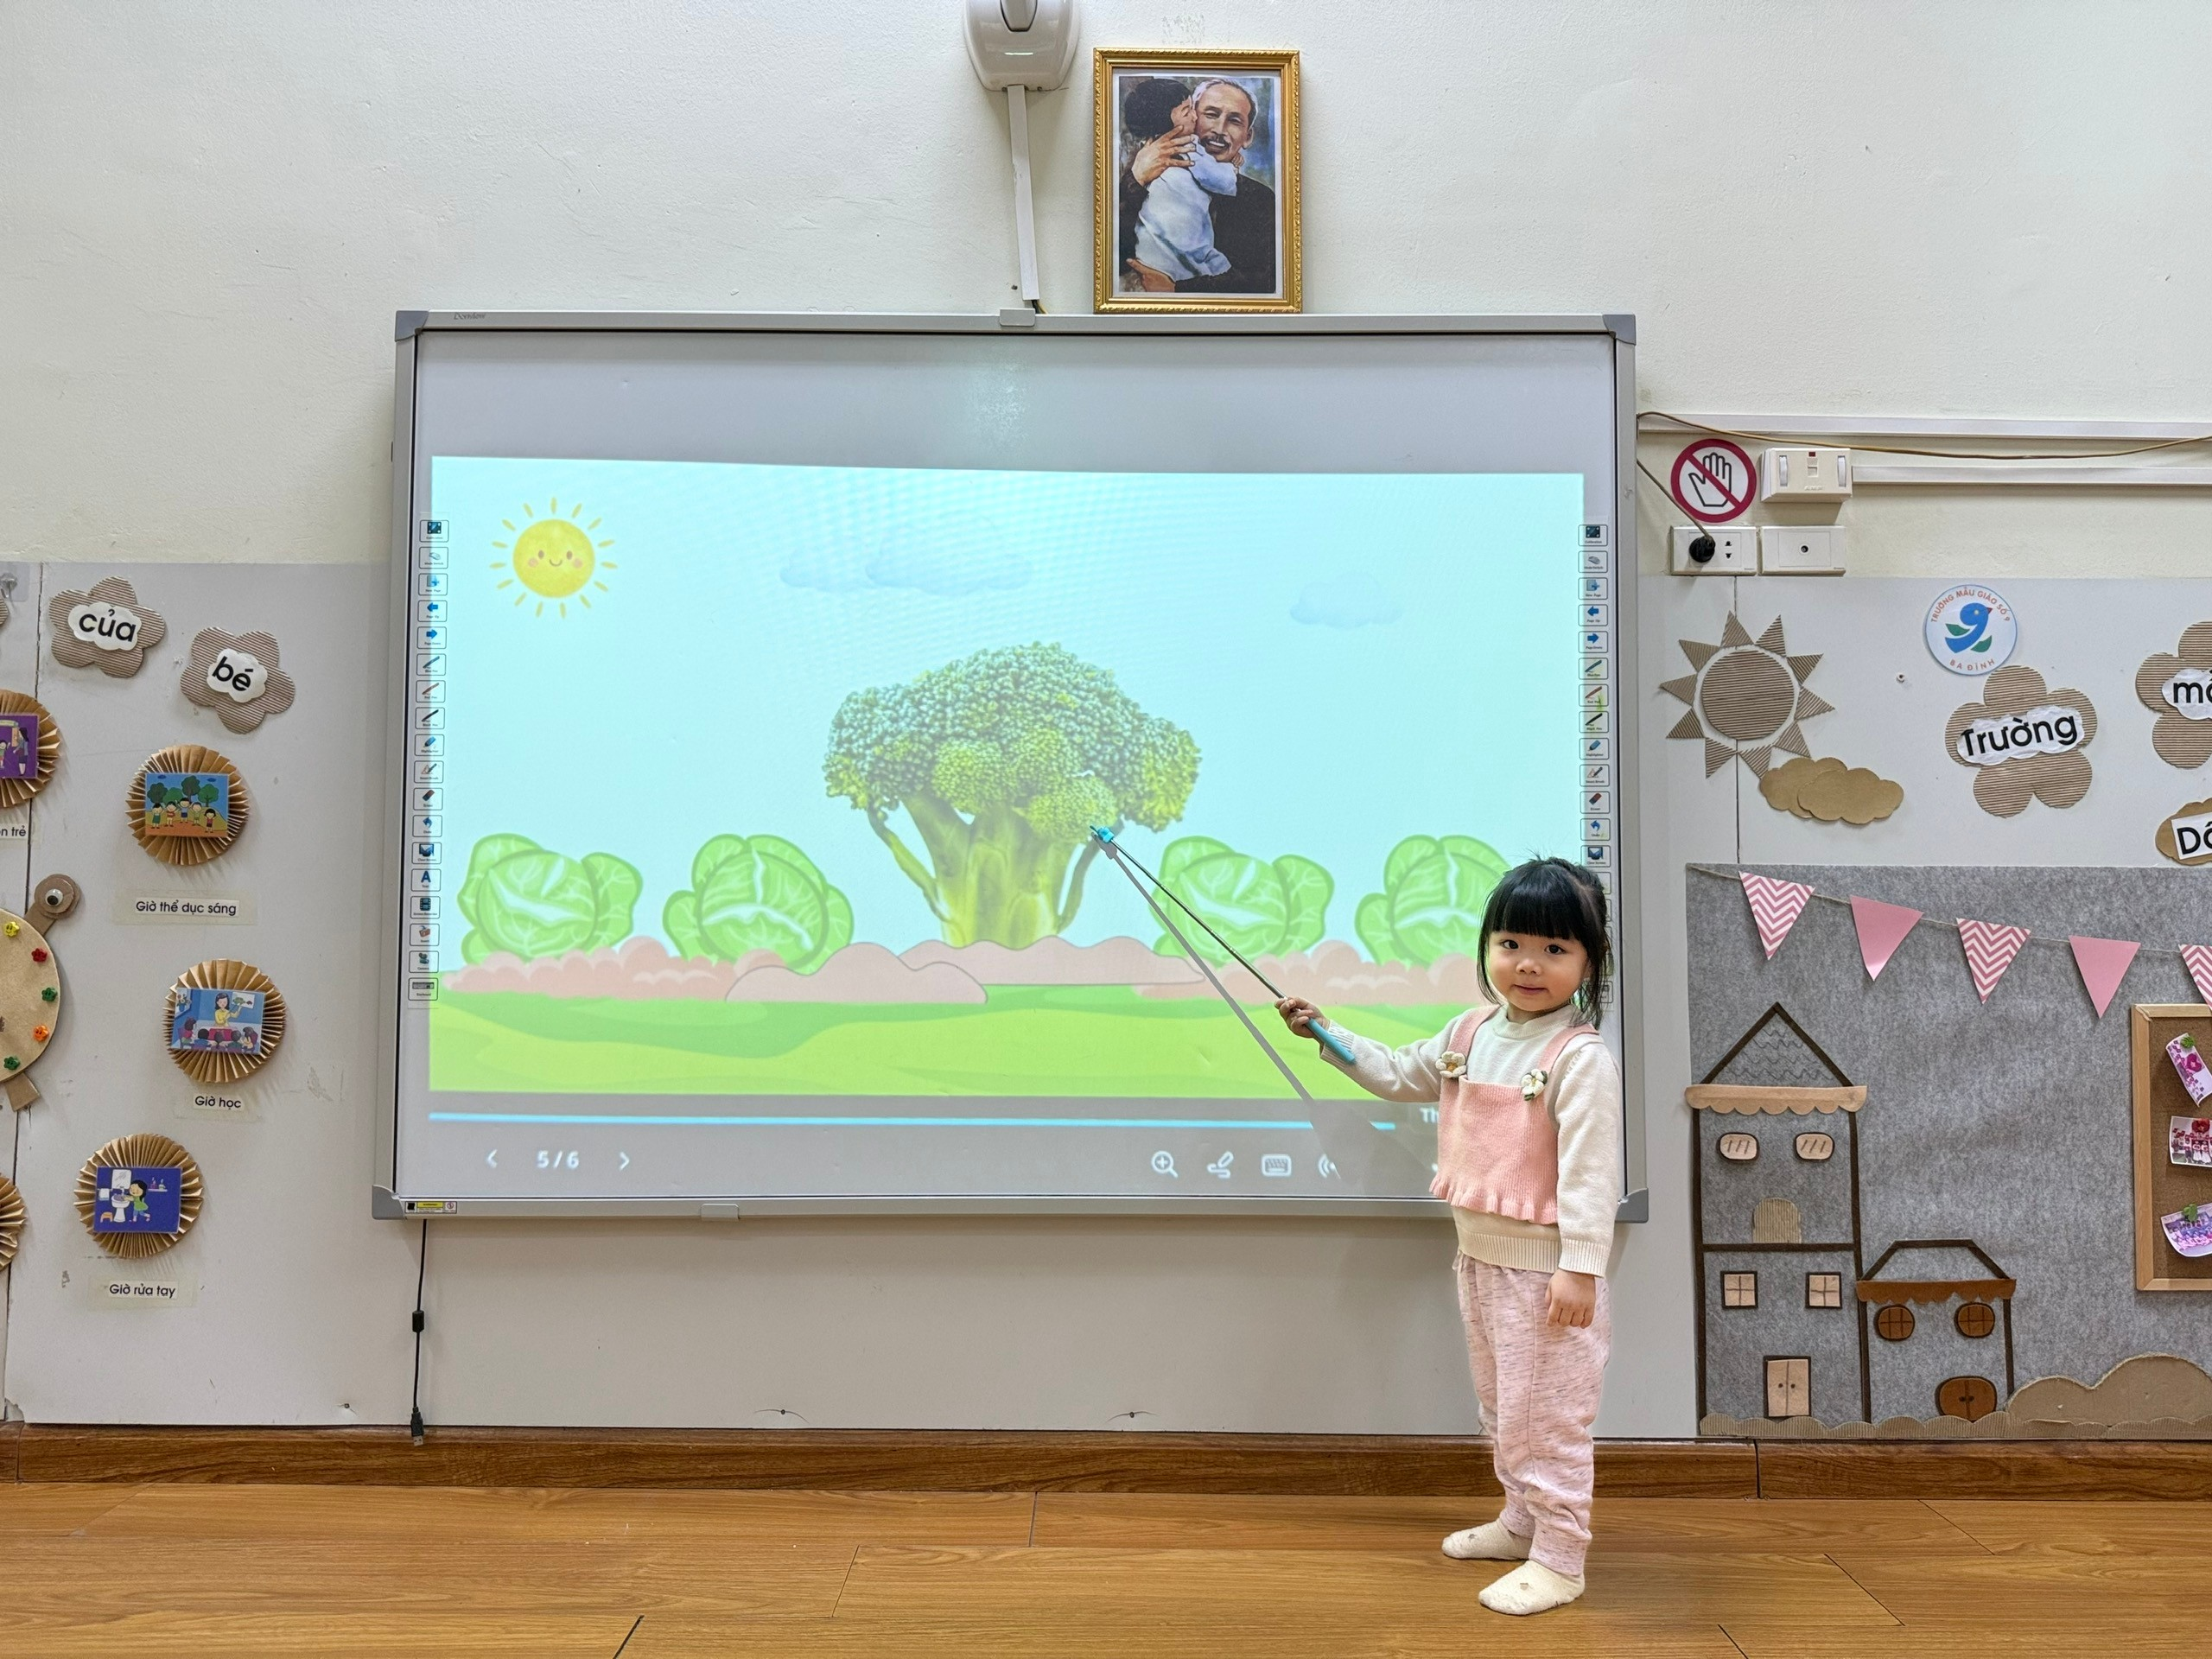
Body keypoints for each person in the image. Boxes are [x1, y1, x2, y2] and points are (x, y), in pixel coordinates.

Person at [1276, 858, 1620, 1617]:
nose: (1528, 964)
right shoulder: (1470, 1032)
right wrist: (1326, 1032)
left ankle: (1562, 1560)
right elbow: (1399, 1073)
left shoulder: (1580, 1058)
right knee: (1503, 1411)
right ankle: (1522, 1524)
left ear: (1590, 961)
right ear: (1488, 947)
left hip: (1547, 1277)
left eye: (1555, 949)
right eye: (1510, 943)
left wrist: (1580, 1269)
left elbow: (1593, 1175)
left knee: (1547, 1422)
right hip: (1480, 1261)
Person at [1117, 76, 1278, 295]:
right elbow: (1113, 256)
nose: (1219, 130)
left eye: (1234, 121)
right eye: (1211, 115)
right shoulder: (1139, 179)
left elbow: (1266, 280)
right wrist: (1136, 180)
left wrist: (1177, 289)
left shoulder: (1260, 199)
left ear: (1247, 137)